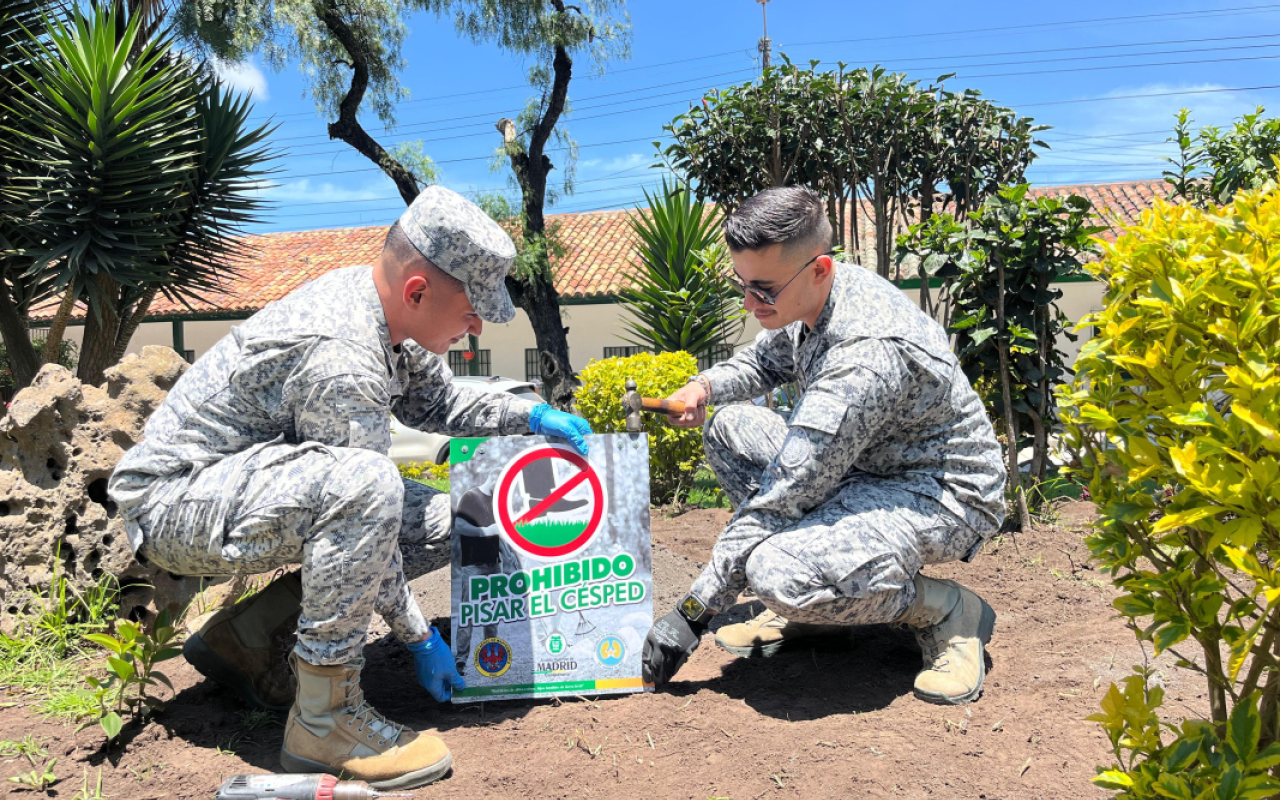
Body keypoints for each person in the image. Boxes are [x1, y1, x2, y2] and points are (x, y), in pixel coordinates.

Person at [108, 186, 592, 790]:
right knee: (370, 485)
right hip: (175, 501)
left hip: (245, 486)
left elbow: (437, 400)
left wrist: (531, 416)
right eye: (472, 311)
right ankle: (324, 716)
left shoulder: (387, 315)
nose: (474, 330)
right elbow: (366, 508)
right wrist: (418, 638)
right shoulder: (340, 350)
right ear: (418, 290)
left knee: (459, 520)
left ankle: (248, 639)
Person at [641, 187, 1006, 706]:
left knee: (778, 572)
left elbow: (781, 497)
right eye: (741, 285)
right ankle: (823, 613)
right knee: (730, 428)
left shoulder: (866, 355)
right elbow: (763, 362)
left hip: (940, 492)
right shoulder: (813, 297)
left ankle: (946, 609)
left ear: (819, 269)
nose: (749, 303)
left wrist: (693, 614)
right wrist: (703, 388)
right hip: (864, 466)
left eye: (762, 290)